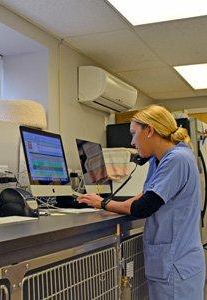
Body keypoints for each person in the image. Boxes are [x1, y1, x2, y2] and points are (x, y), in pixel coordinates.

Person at [78, 105, 205, 300]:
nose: (132, 141)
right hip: (173, 263)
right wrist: (108, 204)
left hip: (176, 266)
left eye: (134, 133)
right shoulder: (160, 159)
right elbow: (144, 195)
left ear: (149, 131)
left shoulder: (176, 159)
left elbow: (144, 206)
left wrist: (103, 203)